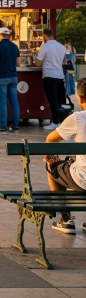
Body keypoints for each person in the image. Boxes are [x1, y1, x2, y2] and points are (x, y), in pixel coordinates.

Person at [43, 78, 86, 233]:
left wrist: (53, 157)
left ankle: (66, 220)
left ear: (80, 99)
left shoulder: (78, 118)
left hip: (83, 180)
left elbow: (50, 139)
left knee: (52, 164)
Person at [36, 29, 67, 130]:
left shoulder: (45, 47)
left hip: (49, 75)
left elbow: (38, 63)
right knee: (59, 100)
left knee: (52, 100)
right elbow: (64, 62)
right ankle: (61, 120)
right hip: (59, 76)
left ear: (44, 36)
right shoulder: (62, 47)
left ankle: (55, 122)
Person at [0, 27, 21, 132]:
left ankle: (3, 125)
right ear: (9, 35)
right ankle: (15, 125)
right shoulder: (14, 46)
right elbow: (18, 63)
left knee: (2, 102)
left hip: (1, 77)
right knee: (14, 102)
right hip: (13, 77)